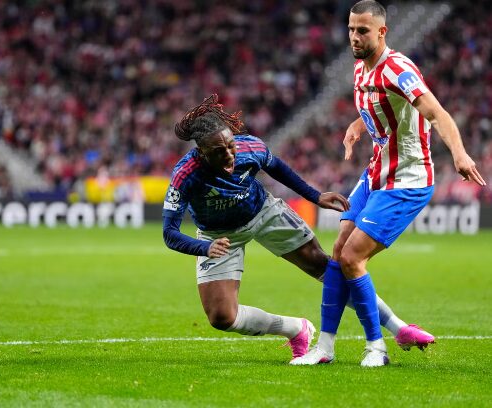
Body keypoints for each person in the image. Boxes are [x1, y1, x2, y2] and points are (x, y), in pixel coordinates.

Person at [162, 94, 435, 362]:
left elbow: (278, 168)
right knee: (222, 317)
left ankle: (399, 329)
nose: (229, 155)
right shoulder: (185, 175)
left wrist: (314, 196)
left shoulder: (249, 147)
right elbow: (169, 234)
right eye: (218, 152)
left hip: (264, 212)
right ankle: (296, 329)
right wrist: (205, 247)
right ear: (201, 152)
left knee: (329, 268)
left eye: (230, 146)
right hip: (218, 236)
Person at [291, 0, 487, 367]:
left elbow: (436, 113)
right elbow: (377, 107)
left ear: (382, 32)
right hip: (376, 172)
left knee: (353, 257)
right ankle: (325, 347)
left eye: (363, 30)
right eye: (351, 29)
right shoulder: (359, 67)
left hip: (408, 179)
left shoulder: (398, 69)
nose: (354, 36)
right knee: (338, 252)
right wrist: (356, 126)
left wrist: (459, 153)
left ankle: (376, 348)